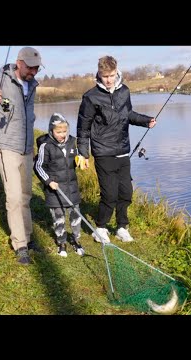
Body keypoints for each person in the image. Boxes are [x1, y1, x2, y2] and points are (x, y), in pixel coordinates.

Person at [76, 55, 157, 244]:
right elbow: (83, 126)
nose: (109, 80)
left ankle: (122, 227)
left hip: (122, 149)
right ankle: (101, 228)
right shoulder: (91, 96)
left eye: (111, 75)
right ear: (99, 74)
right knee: (109, 193)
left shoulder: (124, 91)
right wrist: (83, 153)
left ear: (117, 72)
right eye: (105, 76)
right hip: (103, 151)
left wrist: (146, 121)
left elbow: (128, 114)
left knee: (126, 192)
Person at [0, 47, 43, 265]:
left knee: (25, 196)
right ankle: (20, 245)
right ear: (19, 63)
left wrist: (32, 147)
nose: (34, 71)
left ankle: (29, 238)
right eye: (30, 67)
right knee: (13, 197)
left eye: (37, 68)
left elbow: (28, 118)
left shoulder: (32, 85)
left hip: (25, 147)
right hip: (5, 145)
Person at [33, 113, 85, 257]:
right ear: (51, 131)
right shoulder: (46, 146)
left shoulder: (72, 142)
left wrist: (80, 158)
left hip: (72, 188)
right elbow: (38, 166)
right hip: (55, 190)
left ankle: (76, 240)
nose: (62, 135)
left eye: (64, 131)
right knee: (59, 218)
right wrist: (49, 181)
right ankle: (61, 242)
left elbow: (77, 156)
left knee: (76, 216)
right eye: (58, 132)